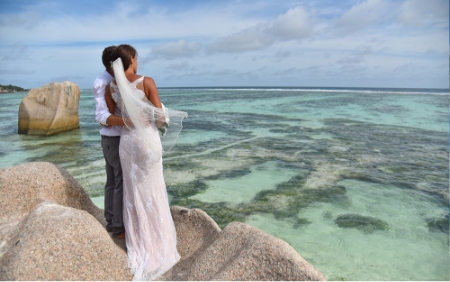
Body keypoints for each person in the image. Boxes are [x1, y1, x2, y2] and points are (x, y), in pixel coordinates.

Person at [105, 44, 187, 281]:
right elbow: (160, 117)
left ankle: (140, 243)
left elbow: (114, 117)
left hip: (127, 144)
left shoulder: (111, 88)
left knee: (134, 193)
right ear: (131, 59)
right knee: (153, 191)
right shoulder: (146, 81)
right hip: (147, 141)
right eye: (136, 58)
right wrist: (158, 122)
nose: (137, 62)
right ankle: (159, 247)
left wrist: (130, 120)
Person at [92, 46, 126, 239]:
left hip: (112, 139)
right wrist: (129, 122)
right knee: (118, 182)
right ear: (115, 64)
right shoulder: (102, 82)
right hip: (114, 139)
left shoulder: (111, 80)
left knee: (113, 182)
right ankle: (118, 227)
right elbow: (101, 116)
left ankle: (112, 222)